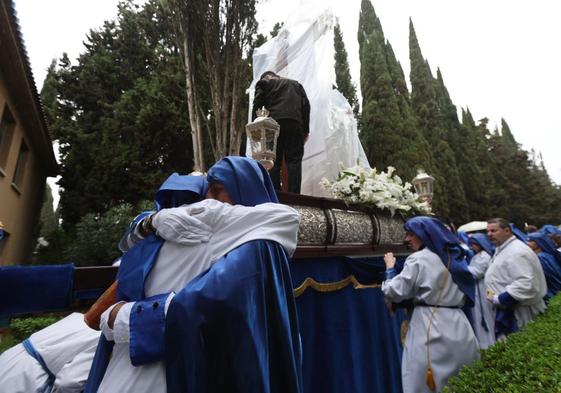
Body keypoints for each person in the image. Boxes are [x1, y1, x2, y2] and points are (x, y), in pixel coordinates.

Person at [86, 158, 301, 393]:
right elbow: (130, 249)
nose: (208, 200)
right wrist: (152, 221)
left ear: (245, 189)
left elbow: (213, 305)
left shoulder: (259, 243)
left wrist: (126, 318)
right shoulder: (176, 226)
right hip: (140, 362)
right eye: (206, 193)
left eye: (218, 190)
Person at [382, 216, 479, 393]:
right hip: (459, 323)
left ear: (425, 234)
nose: (406, 239)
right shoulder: (456, 256)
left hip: (428, 323)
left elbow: (394, 292)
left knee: (422, 379)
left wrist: (390, 269)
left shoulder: (418, 259)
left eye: (411, 234)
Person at [0, 313, 100, 393]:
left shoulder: (76, 317)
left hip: (10, 360)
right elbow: (68, 383)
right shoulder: (101, 340)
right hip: (29, 379)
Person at [485, 218, 547, 339]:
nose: (489, 234)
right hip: (509, 309)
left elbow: (525, 282)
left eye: (493, 231)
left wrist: (501, 298)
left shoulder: (516, 251)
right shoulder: (504, 248)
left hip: (520, 312)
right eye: (487, 231)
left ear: (507, 231)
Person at [252, 71, 310, 194]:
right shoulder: (296, 84)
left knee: (274, 160)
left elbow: (257, 103)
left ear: (267, 77)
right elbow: (306, 106)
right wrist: (305, 130)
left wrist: (255, 126)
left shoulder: (265, 83)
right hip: (295, 123)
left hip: (273, 125)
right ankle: (296, 196)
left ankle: (276, 194)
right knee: (294, 161)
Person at [467, 234, 496, 349]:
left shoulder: (484, 256)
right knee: (479, 315)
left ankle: (489, 342)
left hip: (484, 288)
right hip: (478, 288)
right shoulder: (477, 256)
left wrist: (463, 268)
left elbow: (477, 272)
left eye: (474, 244)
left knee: (486, 313)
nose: (472, 247)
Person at [527, 231, 561, 303]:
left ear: (538, 242)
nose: (527, 243)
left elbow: (553, 277)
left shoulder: (542, 257)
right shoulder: (544, 256)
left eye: (531, 241)